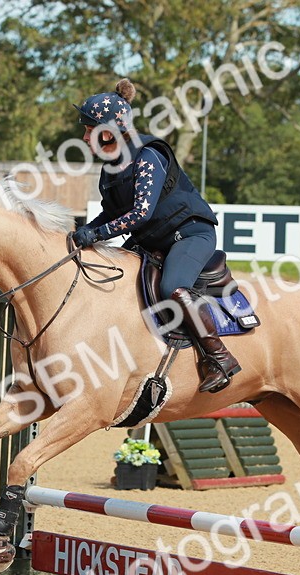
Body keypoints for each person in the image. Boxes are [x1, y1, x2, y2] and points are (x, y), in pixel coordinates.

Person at [71, 78, 237, 394]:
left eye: (89, 129)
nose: (84, 136)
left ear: (107, 131)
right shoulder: (111, 166)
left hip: (190, 235)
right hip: (155, 239)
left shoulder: (147, 156)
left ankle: (219, 357)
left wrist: (97, 234)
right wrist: (83, 232)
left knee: (172, 286)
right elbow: (112, 212)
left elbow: (139, 214)